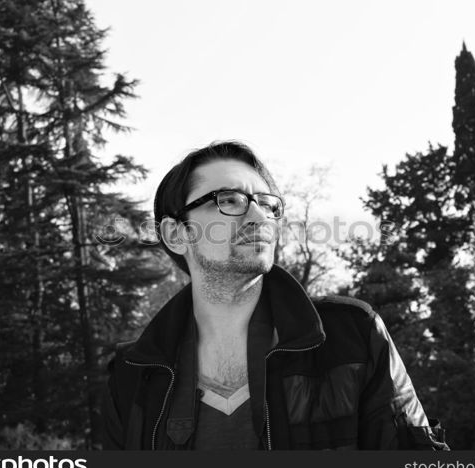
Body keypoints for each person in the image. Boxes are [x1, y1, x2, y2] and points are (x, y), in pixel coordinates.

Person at [101, 141, 449, 450]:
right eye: (229, 200)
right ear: (176, 234)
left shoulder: (353, 337)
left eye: (268, 205)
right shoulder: (132, 373)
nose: (259, 216)